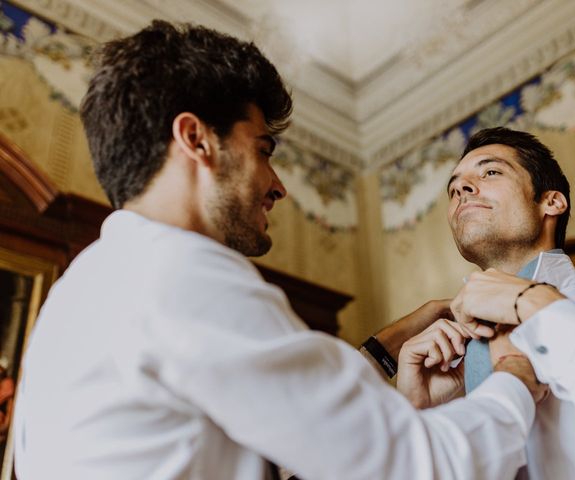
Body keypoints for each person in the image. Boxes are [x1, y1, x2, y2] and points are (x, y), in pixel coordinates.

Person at [13, 21, 546, 480]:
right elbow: (412, 464)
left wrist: (395, 374)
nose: (278, 185)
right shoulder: (182, 278)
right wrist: (516, 381)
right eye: (263, 150)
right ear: (196, 139)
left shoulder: (83, 290)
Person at [409, 127, 575, 478]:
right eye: (454, 187)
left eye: (490, 172)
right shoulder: (447, 382)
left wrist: (535, 304)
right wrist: (419, 418)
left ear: (552, 202)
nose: (461, 189)